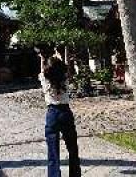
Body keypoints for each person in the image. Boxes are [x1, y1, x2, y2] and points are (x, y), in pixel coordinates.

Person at [37, 48, 81, 177]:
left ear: (47, 70)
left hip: (52, 113)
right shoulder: (65, 79)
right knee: (72, 148)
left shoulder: (45, 79)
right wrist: (63, 52)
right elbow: (65, 65)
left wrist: (42, 58)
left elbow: (43, 69)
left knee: (53, 150)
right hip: (65, 112)